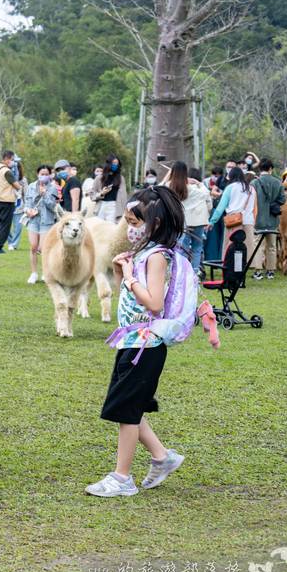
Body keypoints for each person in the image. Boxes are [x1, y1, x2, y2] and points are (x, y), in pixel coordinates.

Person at [86, 186, 186, 498]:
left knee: (126, 411)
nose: (130, 229)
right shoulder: (142, 254)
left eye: (135, 222)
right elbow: (129, 299)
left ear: (154, 223)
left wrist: (129, 274)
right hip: (131, 341)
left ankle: (122, 478)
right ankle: (162, 457)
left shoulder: (156, 257)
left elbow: (154, 303)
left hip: (146, 345)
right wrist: (121, 270)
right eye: (128, 222)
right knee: (127, 405)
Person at [163, 162, 211, 271]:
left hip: (181, 222)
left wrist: (167, 175)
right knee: (197, 248)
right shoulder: (192, 188)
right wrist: (199, 183)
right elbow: (206, 194)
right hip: (198, 222)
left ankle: (182, 272)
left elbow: (159, 187)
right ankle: (194, 273)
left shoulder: (168, 186)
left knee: (182, 248)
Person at [207, 166, 257, 256]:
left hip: (234, 221)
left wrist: (212, 221)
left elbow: (220, 207)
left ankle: (231, 266)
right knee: (248, 247)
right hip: (248, 221)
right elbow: (254, 208)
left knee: (230, 247)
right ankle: (247, 266)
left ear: (231, 176)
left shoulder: (230, 187)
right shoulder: (251, 188)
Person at [23, 165, 60, 284]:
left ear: (50, 175)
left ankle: (46, 272)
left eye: (46, 174)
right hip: (33, 220)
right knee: (33, 246)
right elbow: (27, 203)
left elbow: (52, 206)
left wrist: (44, 195)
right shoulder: (31, 186)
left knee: (43, 248)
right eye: (41, 174)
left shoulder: (53, 188)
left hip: (47, 221)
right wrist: (28, 211)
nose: (43, 176)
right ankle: (33, 273)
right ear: (37, 174)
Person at [250, 158, 285, 280]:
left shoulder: (254, 183)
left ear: (260, 169)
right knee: (272, 246)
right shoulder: (278, 182)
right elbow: (283, 200)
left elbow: (250, 201)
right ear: (271, 169)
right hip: (272, 220)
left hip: (258, 219)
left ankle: (258, 271)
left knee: (257, 246)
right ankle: (270, 271)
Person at [94, 155, 127, 223]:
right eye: (114, 163)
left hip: (114, 205)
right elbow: (92, 195)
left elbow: (123, 197)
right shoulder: (99, 178)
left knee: (111, 227)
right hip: (101, 205)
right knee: (99, 227)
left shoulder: (121, 178)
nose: (116, 165)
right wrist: (102, 193)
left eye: (117, 163)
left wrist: (125, 211)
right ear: (109, 164)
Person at [7, 160, 28, 250]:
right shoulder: (6, 179)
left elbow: (26, 194)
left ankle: (14, 244)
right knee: (5, 226)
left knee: (17, 227)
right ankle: (10, 242)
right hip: (7, 205)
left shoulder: (23, 180)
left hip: (19, 207)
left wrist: (26, 207)